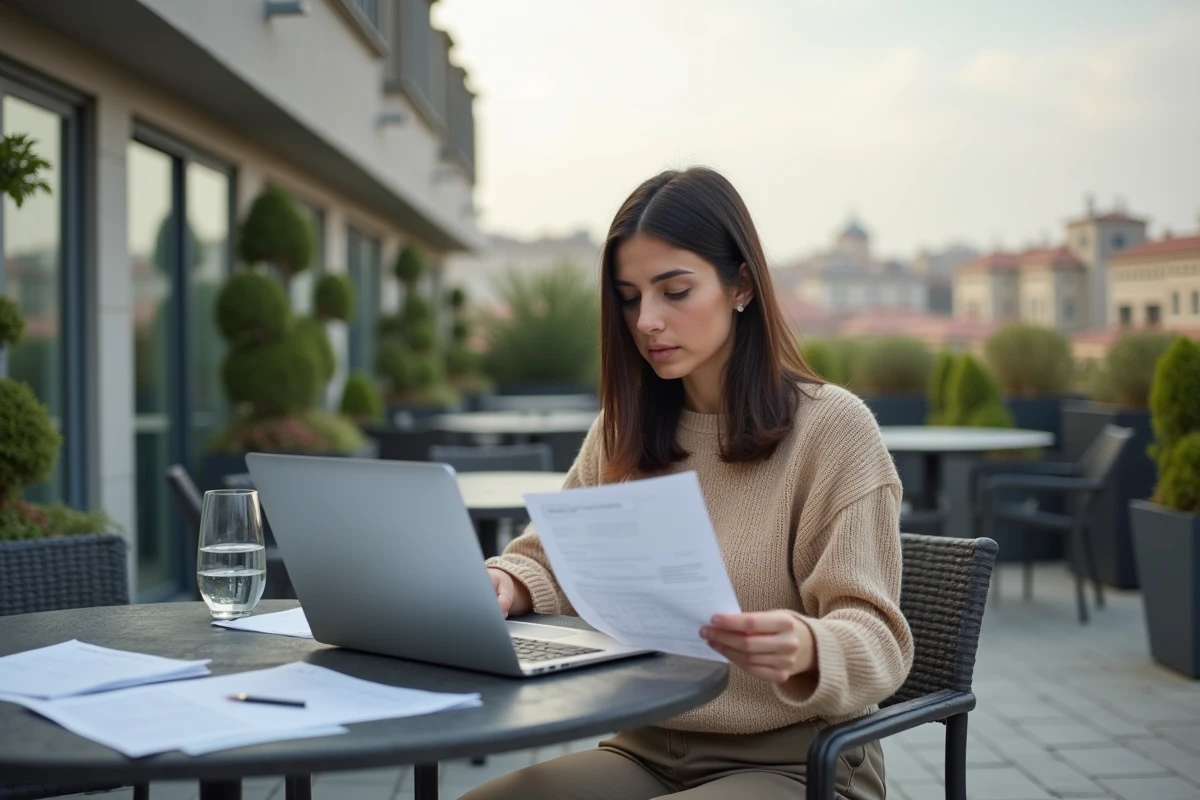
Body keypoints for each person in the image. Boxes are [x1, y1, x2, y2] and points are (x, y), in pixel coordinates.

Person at [469, 167, 914, 800]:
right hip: (641, 744)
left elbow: (879, 639)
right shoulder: (626, 426)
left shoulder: (832, 431)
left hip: (798, 760)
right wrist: (508, 583)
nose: (647, 319)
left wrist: (809, 645)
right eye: (629, 297)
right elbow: (551, 557)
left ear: (741, 287)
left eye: (674, 290)